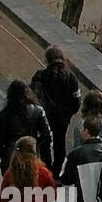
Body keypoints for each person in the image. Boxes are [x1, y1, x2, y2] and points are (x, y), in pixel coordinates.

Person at [30, 45, 80, 176]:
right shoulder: (71, 78)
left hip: (44, 116)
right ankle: (57, 172)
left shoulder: (40, 76)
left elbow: (31, 96)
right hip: (62, 119)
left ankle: (45, 170)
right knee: (60, 143)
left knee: (44, 143)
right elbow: (77, 100)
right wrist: (68, 114)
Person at [0, 79, 54, 176]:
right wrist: (37, 144)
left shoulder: (5, 113)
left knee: (11, 186)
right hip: (30, 152)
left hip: (10, 154)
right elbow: (47, 135)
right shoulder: (38, 110)